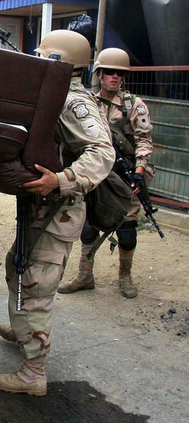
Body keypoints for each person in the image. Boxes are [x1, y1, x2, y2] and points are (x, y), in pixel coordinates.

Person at [0, 30, 115, 396]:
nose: (36, 59)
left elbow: (102, 152)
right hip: (43, 208)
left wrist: (60, 180)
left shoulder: (73, 101)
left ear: (59, 62)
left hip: (59, 208)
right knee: (18, 265)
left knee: (36, 284)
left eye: (41, 55)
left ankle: (33, 373)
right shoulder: (54, 93)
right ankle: (24, 329)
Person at [59, 48, 154, 299]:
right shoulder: (88, 102)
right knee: (89, 226)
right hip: (97, 172)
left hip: (126, 174)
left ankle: (124, 277)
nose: (115, 77)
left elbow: (144, 140)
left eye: (119, 73)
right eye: (109, 72)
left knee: (127, 231)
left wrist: (139, 170)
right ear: (99, 74)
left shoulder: (134, 105)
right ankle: (85, 276)